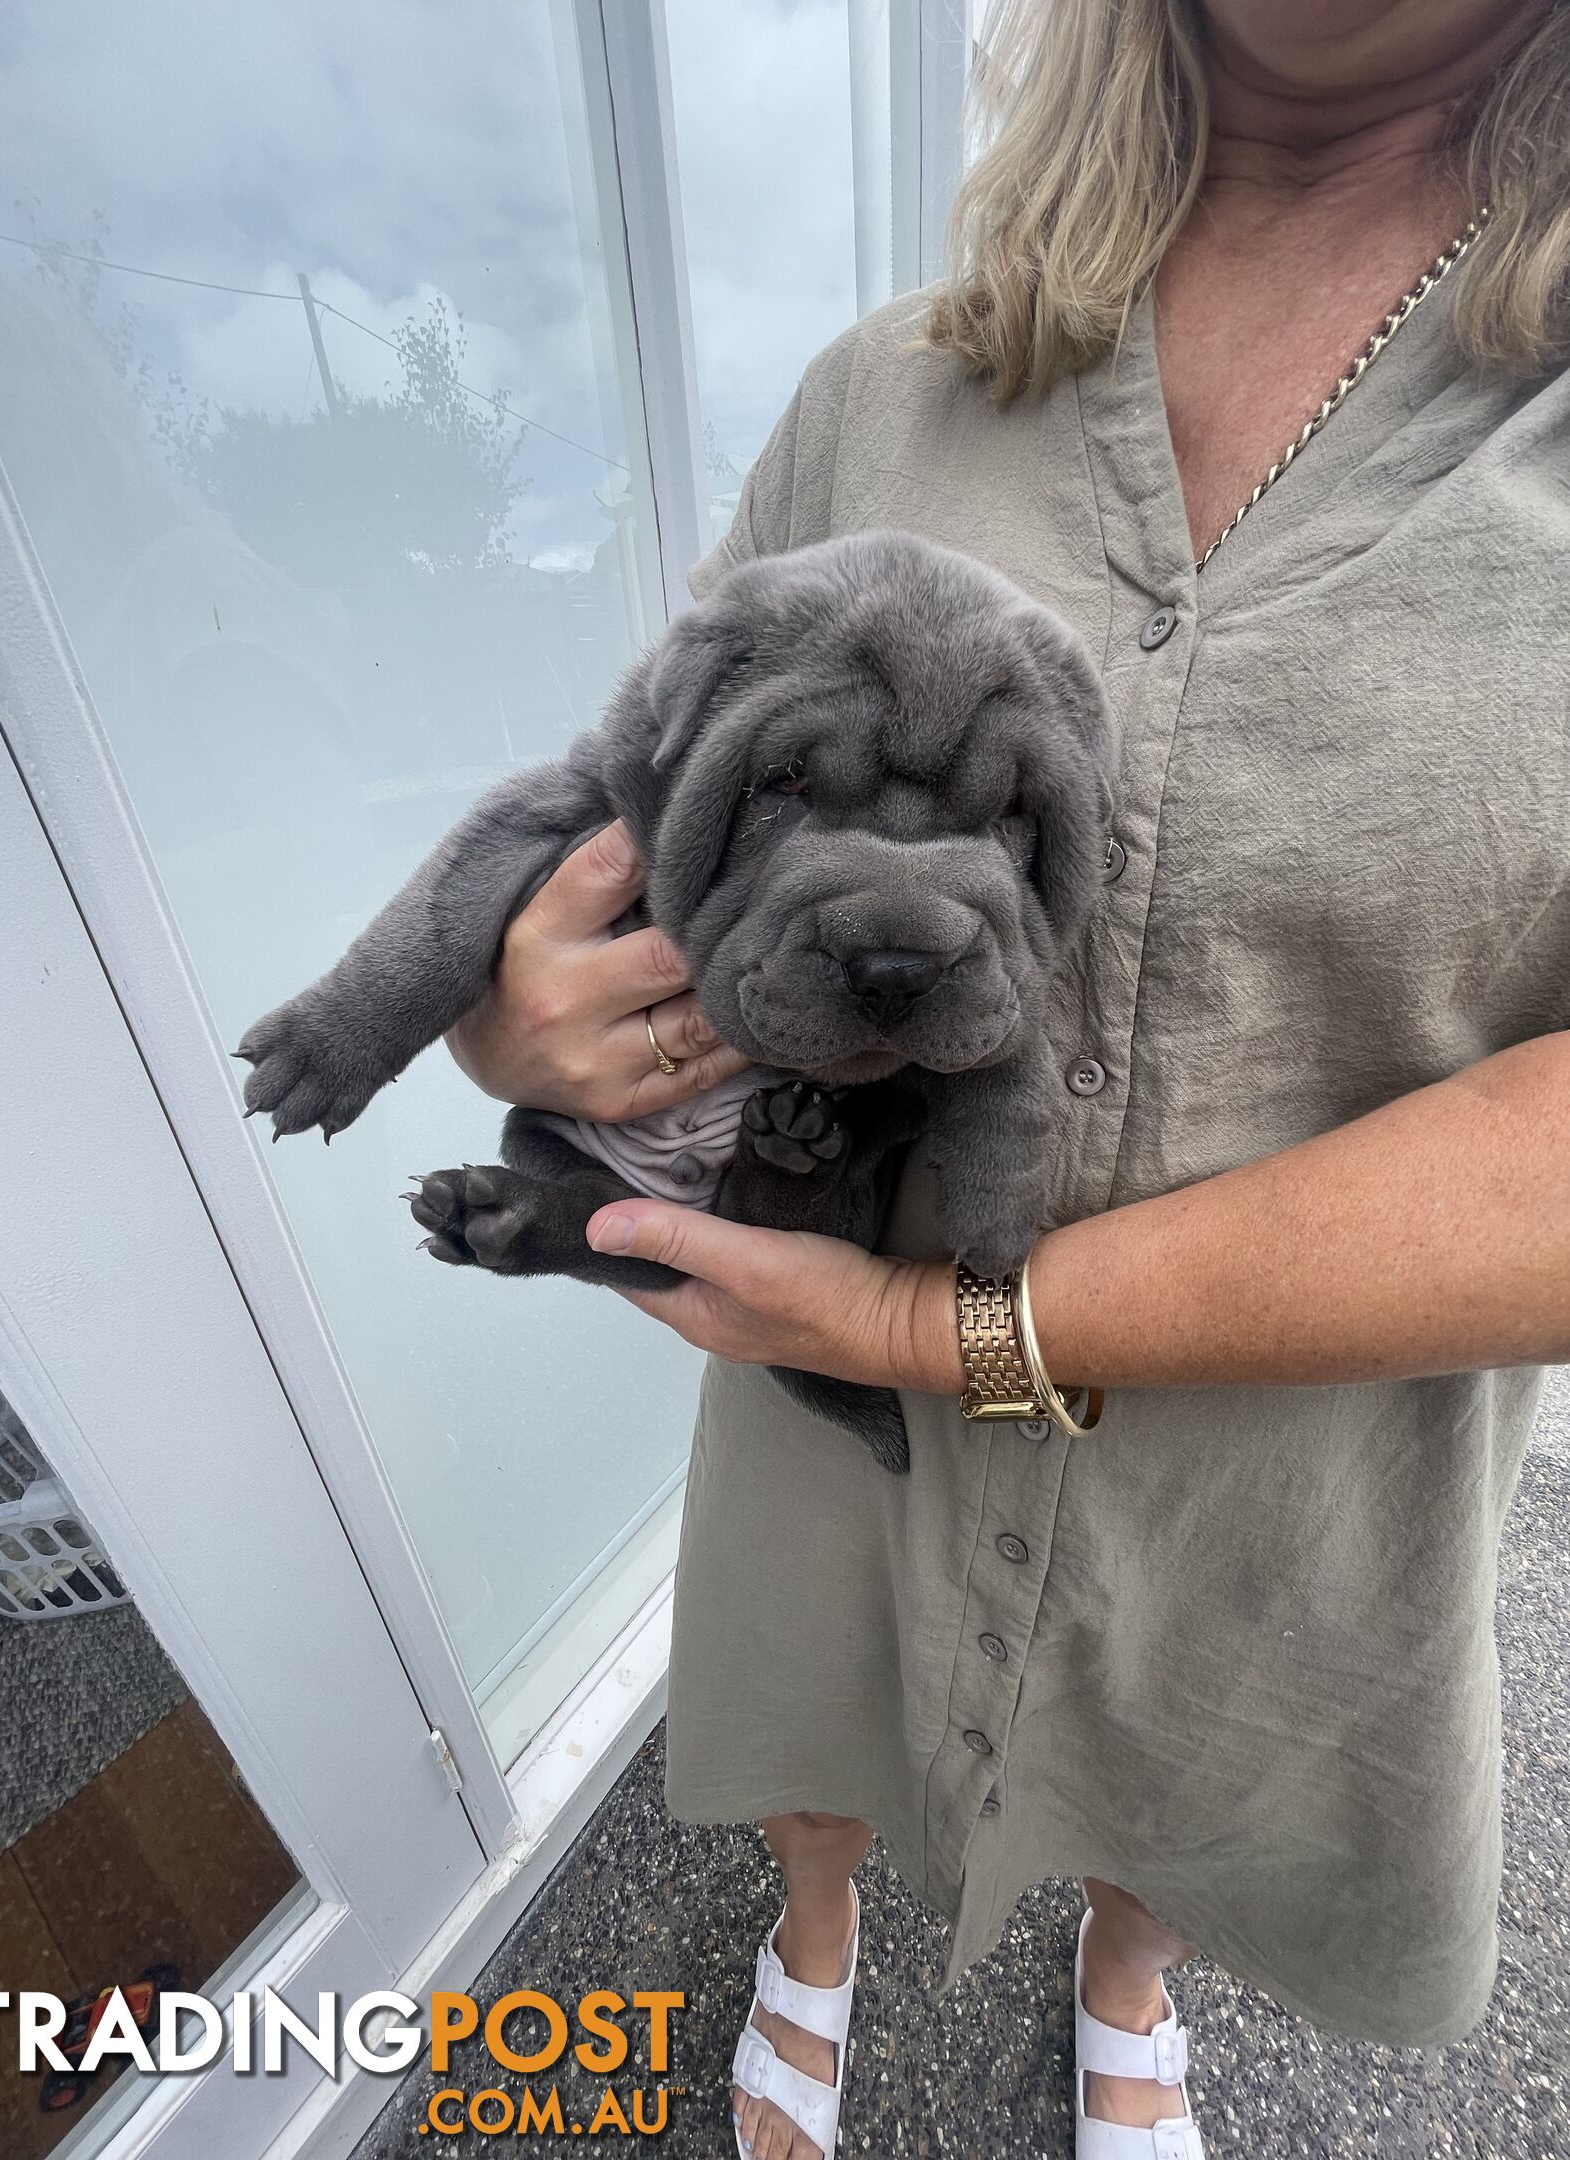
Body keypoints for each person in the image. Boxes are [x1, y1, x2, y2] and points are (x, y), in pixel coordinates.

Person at [448, 1, 1570, 2152]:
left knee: (1193, 1758)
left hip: (1288, 1434)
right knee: (811, 1685)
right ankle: (816, 1924)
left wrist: (936, 1329)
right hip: (812, 1325)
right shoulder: (890, 393)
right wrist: (523, 1002)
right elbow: (659, 813)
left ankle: (1125, 1965)